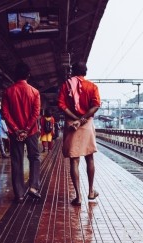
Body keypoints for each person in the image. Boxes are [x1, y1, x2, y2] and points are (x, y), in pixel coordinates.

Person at [57, 61, 101, 206]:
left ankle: (78, 196)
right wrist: (82, 119)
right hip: (87, 123)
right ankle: (90, 191)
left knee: (74, 161)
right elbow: (96, 105)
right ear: (85, 72)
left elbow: (61, 105)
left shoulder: (66, 85)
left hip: (71, 125)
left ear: (72, 71)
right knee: (90, 158)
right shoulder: (92, 87)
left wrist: (75, 118)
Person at [1, 62, 41, 203]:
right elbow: (35, 113)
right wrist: (27, 129)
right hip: (31, 132)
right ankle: (33, 187)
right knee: (34, 158)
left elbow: (5, 113)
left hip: (14, 132)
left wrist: (17, 129)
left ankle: (19, 194)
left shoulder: (8, 92)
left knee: (16, 161)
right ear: (28, 75)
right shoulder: (35, 92)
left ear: (15, 75)